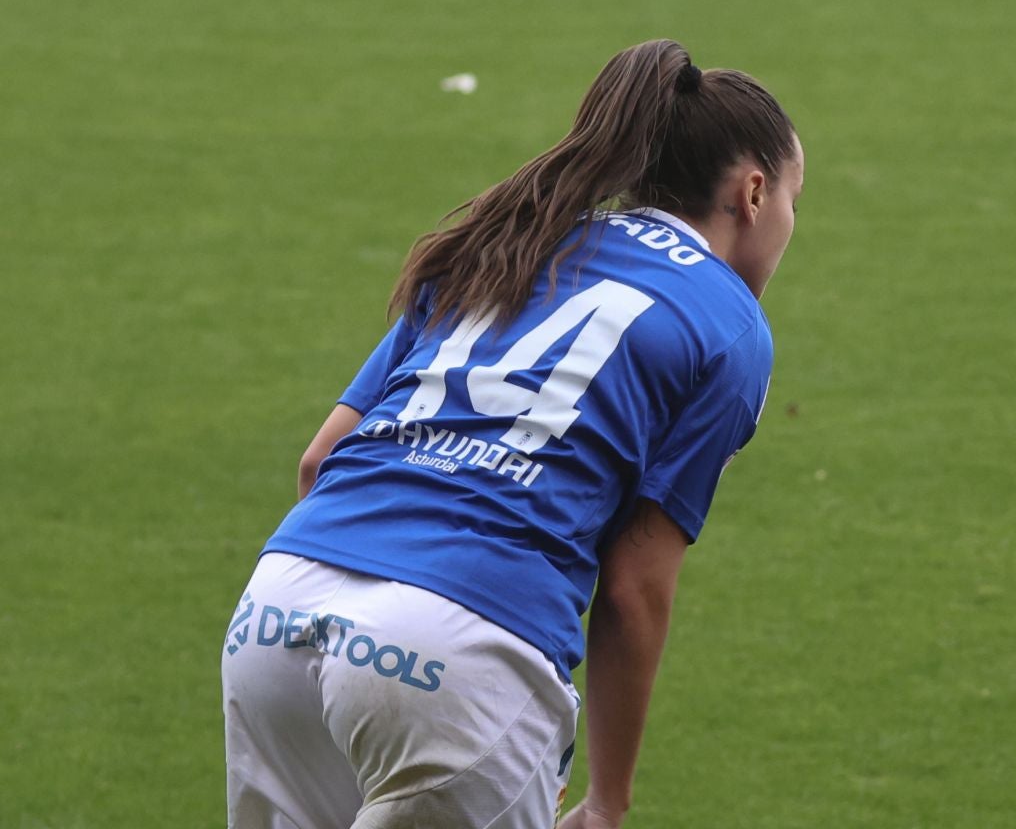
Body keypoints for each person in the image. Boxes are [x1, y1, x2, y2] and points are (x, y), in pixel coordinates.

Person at [221, 40, 804, 829]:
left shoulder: (514, 239)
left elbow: (321, 459)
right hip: (456, 650)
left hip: (278, 614)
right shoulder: (729, 328)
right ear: (755, 192)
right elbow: (633, 589)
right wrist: (607, 802)